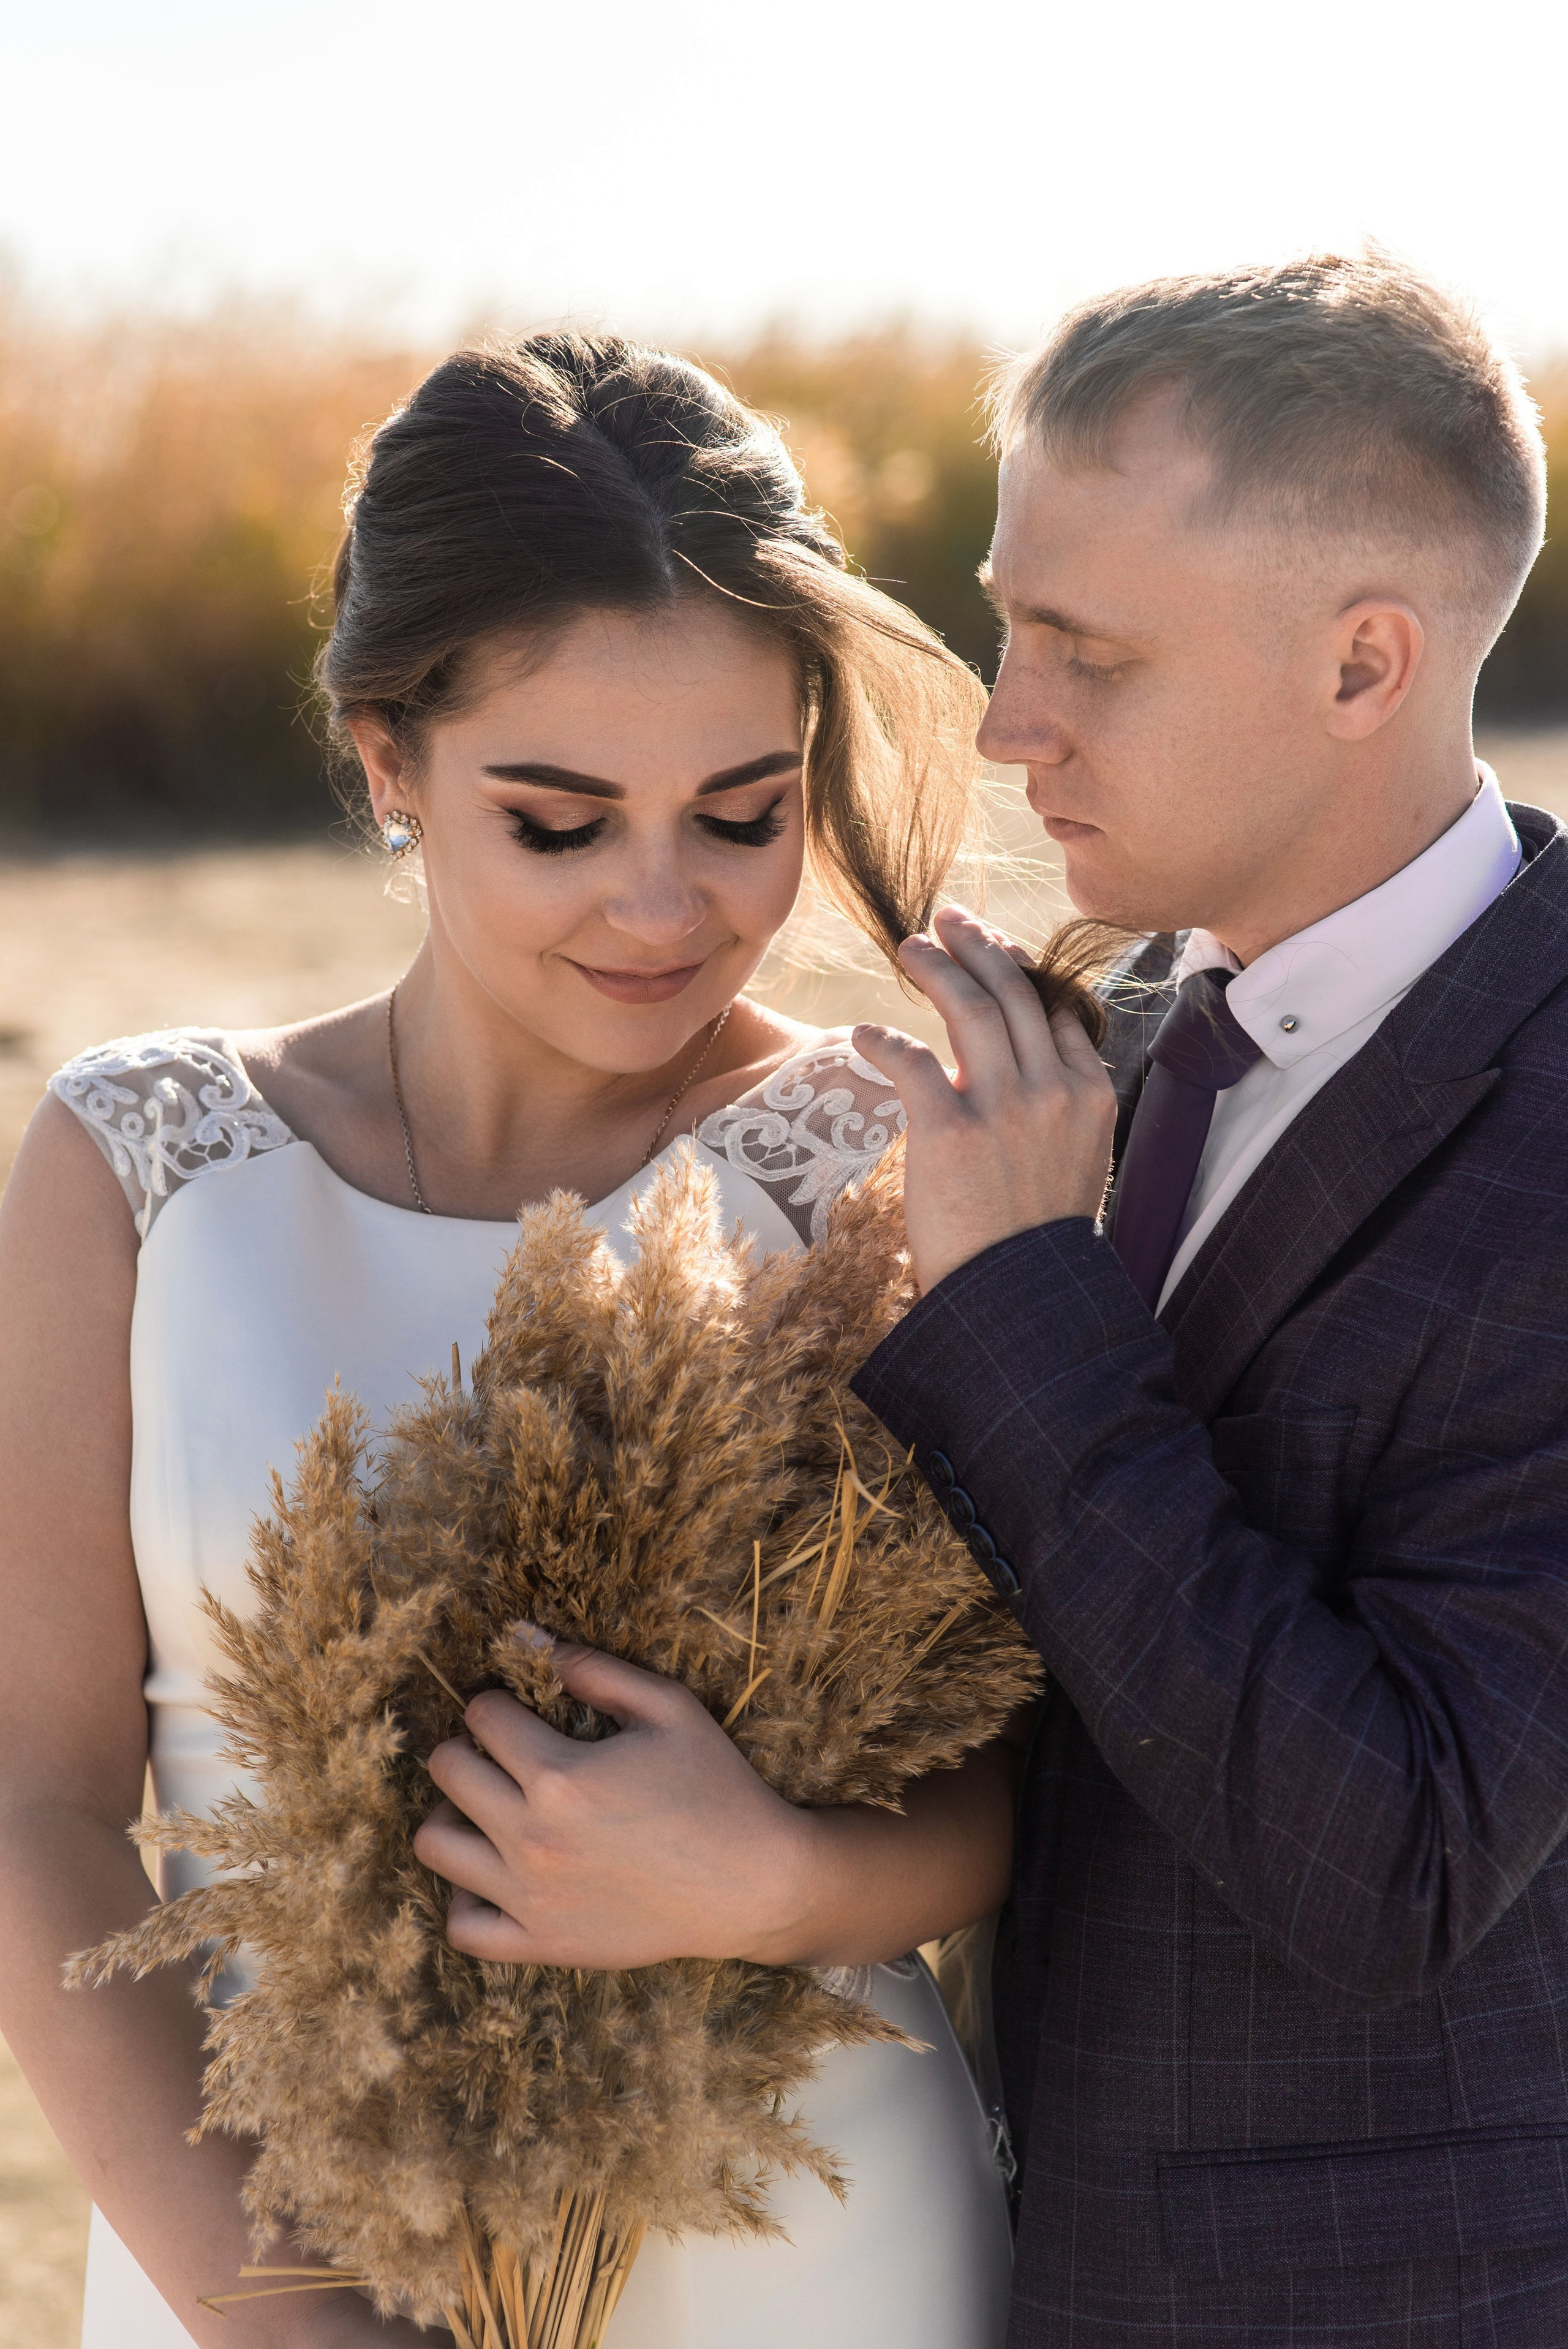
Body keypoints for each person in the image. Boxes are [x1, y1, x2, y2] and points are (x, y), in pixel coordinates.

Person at [0, 334, 1019, 2349]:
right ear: (387, 758)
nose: (665, 905)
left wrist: (772, 1886)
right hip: (263, 2246)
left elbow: (1010, 1789)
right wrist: (288, 2318)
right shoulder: (136, 1156)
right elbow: (32, 1801)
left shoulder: (875, 1166)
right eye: (559, 820)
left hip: (803, 2250)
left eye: (744, 813)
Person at [845, 252, 1568, 2345]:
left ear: (1365, 665)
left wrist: (1020, 1307)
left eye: (1088, 651)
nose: (1004, 721)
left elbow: (1401, 1854)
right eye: (1005, 620)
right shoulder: (1106, 1038)